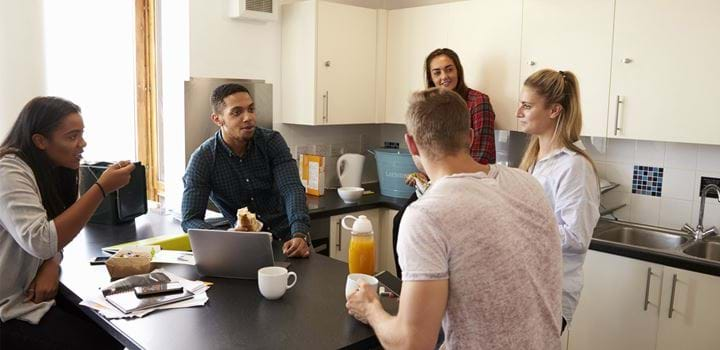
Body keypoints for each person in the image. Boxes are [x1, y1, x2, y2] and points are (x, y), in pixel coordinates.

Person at [346, 88, 562, 349]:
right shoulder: (527, 183)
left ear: (411, 143)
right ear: (470, 137)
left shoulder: (425, 215)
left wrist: (371, 308)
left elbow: (410, 343)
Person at [0, 96, 135, 349]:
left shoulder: (53, 168)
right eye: (72, 136)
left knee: (113, 329)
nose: (82, 144)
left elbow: (53, 235)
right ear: (40, 141)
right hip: (7, 308)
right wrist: (101, 188)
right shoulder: (8, 171)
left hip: (27, 296)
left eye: (82, 134)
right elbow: (41, 240)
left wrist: (52, 262)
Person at [391, 48, 499, 277]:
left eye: (449, 69)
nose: (444, 77)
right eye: (437, 72)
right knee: (400, 220)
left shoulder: (477, 102)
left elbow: (482, 155)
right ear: (430, 77)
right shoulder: (427, 106)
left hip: (469, 184)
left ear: (458, 71)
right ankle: (406, 287)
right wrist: (423, 176)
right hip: (435, 183)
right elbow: (425, 152)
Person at [182, 83, 311, 258]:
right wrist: (225, 237)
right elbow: (190, 219)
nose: (248, 117)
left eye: (251, 109)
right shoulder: (203, 159)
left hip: (289, 240)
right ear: (217, 119)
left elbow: (291, 188)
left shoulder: (271, 141)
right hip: (243, 248)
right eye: (237, 112)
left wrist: (299, 233)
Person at [517, 69, 601, 332]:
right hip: (528, 285)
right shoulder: (535, 158)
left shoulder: (574, 167)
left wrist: (519, 228)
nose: (519, 112)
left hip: (551, 294)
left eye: (527, 106)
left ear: (554, 110)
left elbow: (576, 237)